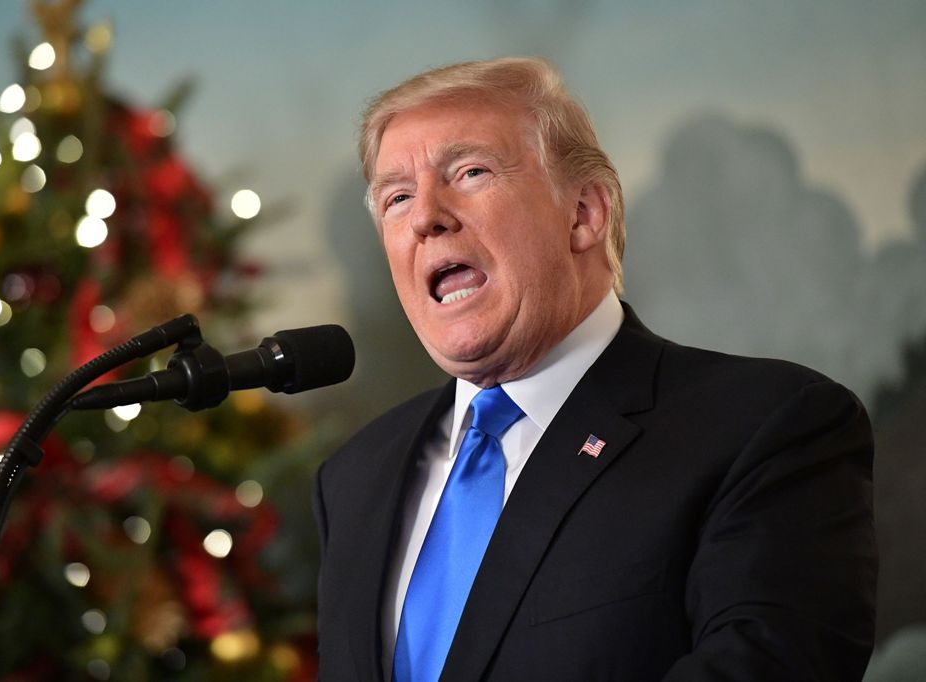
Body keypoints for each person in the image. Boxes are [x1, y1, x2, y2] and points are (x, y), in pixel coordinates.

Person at [313, 57, 877, 682]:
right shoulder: (354, 479)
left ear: (584, 213)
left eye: (470, 172)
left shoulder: (764, 426)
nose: (425, 217)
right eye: (397, 198)